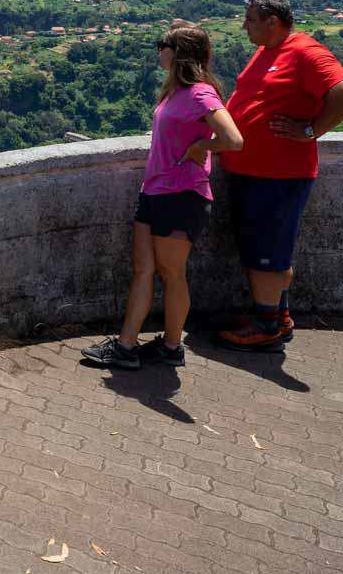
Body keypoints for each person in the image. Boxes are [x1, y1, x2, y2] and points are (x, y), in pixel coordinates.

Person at [83, 25, 243, 370]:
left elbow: (233, 138)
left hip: (182, 195)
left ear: (179, 51)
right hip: (154, 191)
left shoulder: (201, 94)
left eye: (163, 45)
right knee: (143, 270)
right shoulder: (174, 93)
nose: (158, 50)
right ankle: (126, 347)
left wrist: (201, 146)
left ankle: (172, 347)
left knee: (172, 275)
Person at [216, 0, 343, 351]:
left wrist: (310, 130)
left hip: (278, 174)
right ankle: (276, 315)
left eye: (249, 19)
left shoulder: (305, 52)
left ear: (272, 21)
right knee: (267, 248)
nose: (243, 25)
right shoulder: (268, 51)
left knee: (268, 251)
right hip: (255, 171)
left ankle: (265, 328)